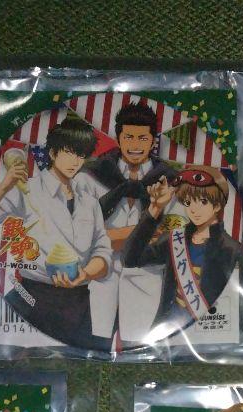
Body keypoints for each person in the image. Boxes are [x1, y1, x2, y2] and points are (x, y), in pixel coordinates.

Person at [0, 113, 110, 349]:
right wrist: (5, 185)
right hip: (33, 297)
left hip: (79, 301)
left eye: (80, 155)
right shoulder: (27, 189)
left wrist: (86, 273)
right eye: (68, 152)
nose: (75, 161)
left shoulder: (90, 202)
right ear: (53, 153)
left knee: (79, 358)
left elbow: (102, 250)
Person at [83, 101, 177, 344]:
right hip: (100, 274)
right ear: (118, 138)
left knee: (139, 344)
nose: (135, 145)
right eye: (129, 137)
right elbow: (83, 235)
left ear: (153, 141)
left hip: (146, 275)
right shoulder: (93, 174)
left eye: (143, 138)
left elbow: (167, 235)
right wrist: (143, 231)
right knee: (96, 341)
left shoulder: (170, 180)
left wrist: (110, 236)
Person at [122, 165, 241, 338]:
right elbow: (130, 259)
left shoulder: (231, 250)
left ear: (217, 205)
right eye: (188, 202)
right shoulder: (175, 239)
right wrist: (155, 209)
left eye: (202, 201)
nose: (193, 209)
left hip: (208, 335)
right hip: (166, 334)